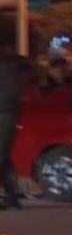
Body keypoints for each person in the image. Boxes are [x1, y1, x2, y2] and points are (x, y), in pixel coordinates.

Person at [0, 49, 21, 210]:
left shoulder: (8, 70)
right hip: (7, 114)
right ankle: (12, 197)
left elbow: (10, 95)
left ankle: (12, 196)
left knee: (2, 155)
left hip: (5, 114)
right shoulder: (10, 70)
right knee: (4, 157)